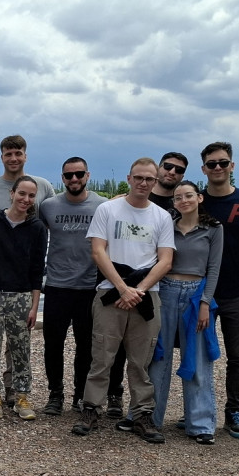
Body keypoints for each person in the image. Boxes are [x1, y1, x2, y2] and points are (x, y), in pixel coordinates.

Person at [72, 158, 174, 443]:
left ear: (155, 182)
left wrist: (138, 290)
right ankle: (91, 408)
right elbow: (98, 251)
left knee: (141, 361)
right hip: (110, 293)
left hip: (146, 296)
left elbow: (165, 260)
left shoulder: (161, 217)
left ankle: (141, 414)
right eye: (139, 178)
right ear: (129, 178)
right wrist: (122, 287)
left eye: (149, 180)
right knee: (102, 356)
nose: (143, 184)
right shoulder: (108, 210)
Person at [0, 134, 55, 408]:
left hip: (22, 290)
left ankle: (18, 393)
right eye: (8, 153)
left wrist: (35, 305)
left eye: (18, 153)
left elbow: (37, 265)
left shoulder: (42, 199)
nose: (26, 198)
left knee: (20, 346)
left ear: (25, 155)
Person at [37, 156, 118, 415]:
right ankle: (55, 394)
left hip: (88, 287)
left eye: (79, 174)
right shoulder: (48, 206)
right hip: (57, 286)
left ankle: (80, 394)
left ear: (87, 176)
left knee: (85, 346)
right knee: (53, 344)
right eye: (69, 175)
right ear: (62, 178)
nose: (74, 179)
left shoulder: (102, 206)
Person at [147, 181, 224, 444]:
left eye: (188, 195)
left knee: (199, 358)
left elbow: (214, 268)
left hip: (196, 293)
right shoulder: (166, 225)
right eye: (178, 197)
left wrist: (205, 302)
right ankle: (150, 418)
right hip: (166, 290)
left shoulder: (213, 229)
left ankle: (201, 425)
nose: (183, 201)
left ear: (199, 198)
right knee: (159, 356)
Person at [200, 141, 239, 439]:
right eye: (212, 164)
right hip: (201, 293)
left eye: (223, 163)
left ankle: (233, 411)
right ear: (204, 169)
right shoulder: (195, 202)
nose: (218, 168)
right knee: (200, 353)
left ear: (232, 166)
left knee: (238, 354)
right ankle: (198, 408)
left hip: (238, 289)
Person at [0, 135, 58, 213]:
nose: (13, 159)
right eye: (8, 154)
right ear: (2, 158)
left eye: (18, 154)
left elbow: (54, 217)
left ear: (25, 157)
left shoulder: (44, 186)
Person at [150, 151, 188, 216]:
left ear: (182, 176)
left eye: (179, 170)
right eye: (168, 166)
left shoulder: (185, 205)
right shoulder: (139, 198)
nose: (172, 172)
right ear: (158, 169)